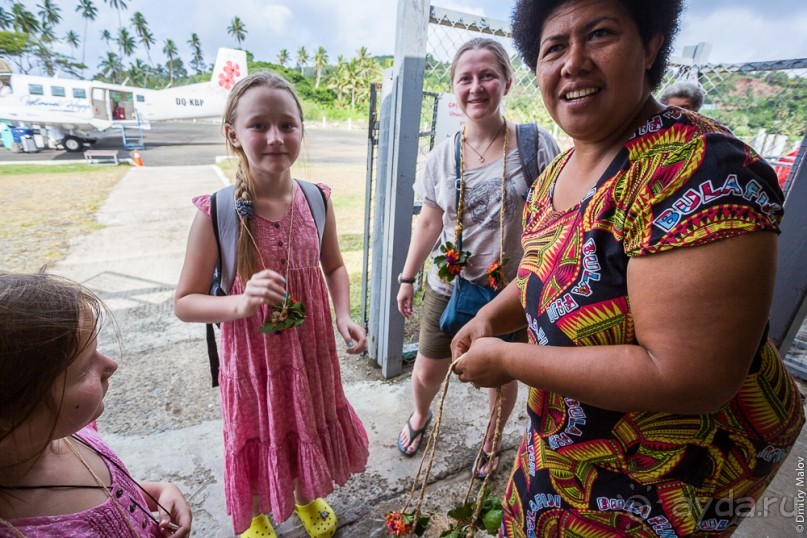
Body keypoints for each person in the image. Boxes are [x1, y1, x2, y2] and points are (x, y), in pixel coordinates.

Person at [451, 0, 805, 535]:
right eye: (553, 47)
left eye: (599, 34)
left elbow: (688, 377)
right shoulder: (557, 172)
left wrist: (509, 358)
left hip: (665, 480)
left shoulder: (702, 171)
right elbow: (543, 274)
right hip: (565, 448)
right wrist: (490, 319)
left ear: (651, 45)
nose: (573, 62)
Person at [174, 72, 369, 538]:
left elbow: (334, 266)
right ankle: (258, 510)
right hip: (252, 360)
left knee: (306, 418)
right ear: (233, 135)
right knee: (259, 429)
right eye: (259, 125)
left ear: (302, 130)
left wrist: (343, 314)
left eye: (287, 124)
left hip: (309, 350)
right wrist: (240, 304)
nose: (276, 137)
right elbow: (185, 302)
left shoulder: (317, 199)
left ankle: (303, 493)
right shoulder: (217, 212)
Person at [396, 38, 559, 479]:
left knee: (501, 376)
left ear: (506, 82)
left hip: (511, 290)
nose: (476, 87)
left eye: (487, 75)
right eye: (465, 78)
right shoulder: (441, 157)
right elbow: (430, 221)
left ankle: (491, 440)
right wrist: (407, 278)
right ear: (453, 87)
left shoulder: (535, 145)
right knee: (427, 369)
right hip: (450, 286)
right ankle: (420, 416)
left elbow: (557, 215)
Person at [0, 273, 192, 537]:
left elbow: (105, 493)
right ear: (13, 412)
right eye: (83, 368)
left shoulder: (73, 435)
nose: (111, 365)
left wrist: (157, 492)